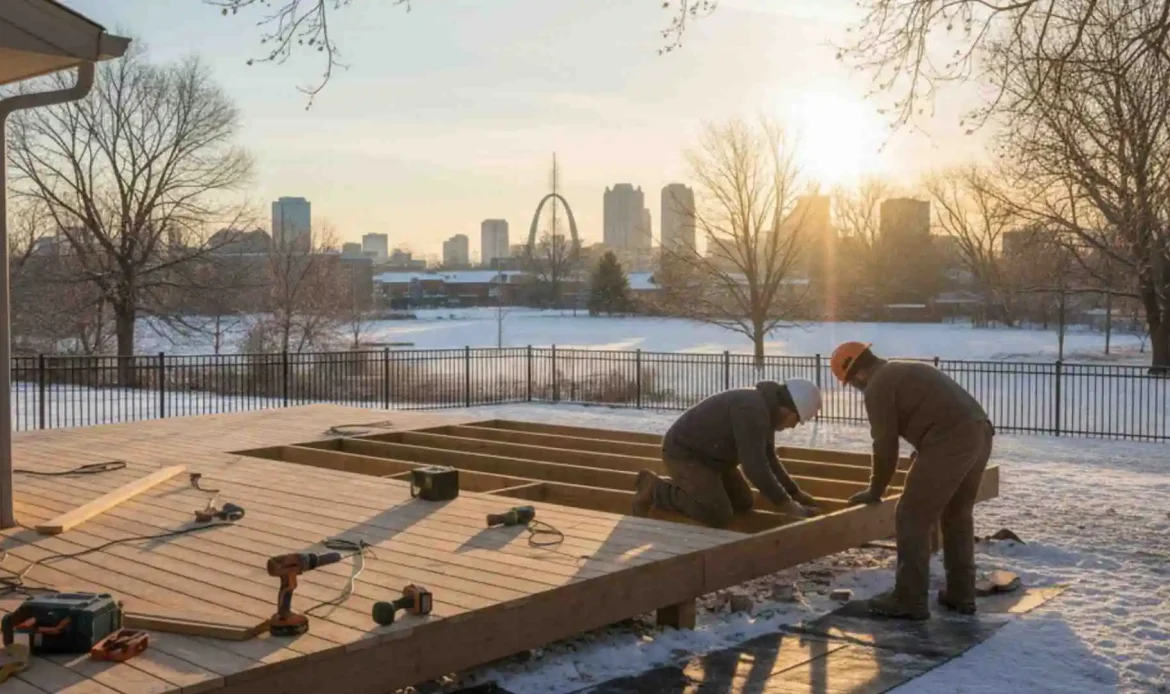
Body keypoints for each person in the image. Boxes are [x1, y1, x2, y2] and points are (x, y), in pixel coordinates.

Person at [831, 341, 994, 620]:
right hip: (980, 432)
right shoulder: (903, 369)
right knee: (957, 515)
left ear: (856, 374)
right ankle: (961, 595)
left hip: (950, 439)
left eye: (852, 383)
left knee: (911, 515)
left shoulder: (878, 386)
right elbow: (937, 410)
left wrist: (875, 490)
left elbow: (884, 447)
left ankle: (909, 600)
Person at [631, 379, 824, 528]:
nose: (792, 426)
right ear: (790, 412)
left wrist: (794, 493)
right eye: (797, 421)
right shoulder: (751, 410)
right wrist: (788, 506)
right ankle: (654, 489)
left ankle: (694, 489)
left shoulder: (764, 410)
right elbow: (755, 467)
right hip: (685, 455)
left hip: (715, 459)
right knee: (717, 514)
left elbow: (768, 458)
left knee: (743, 502)